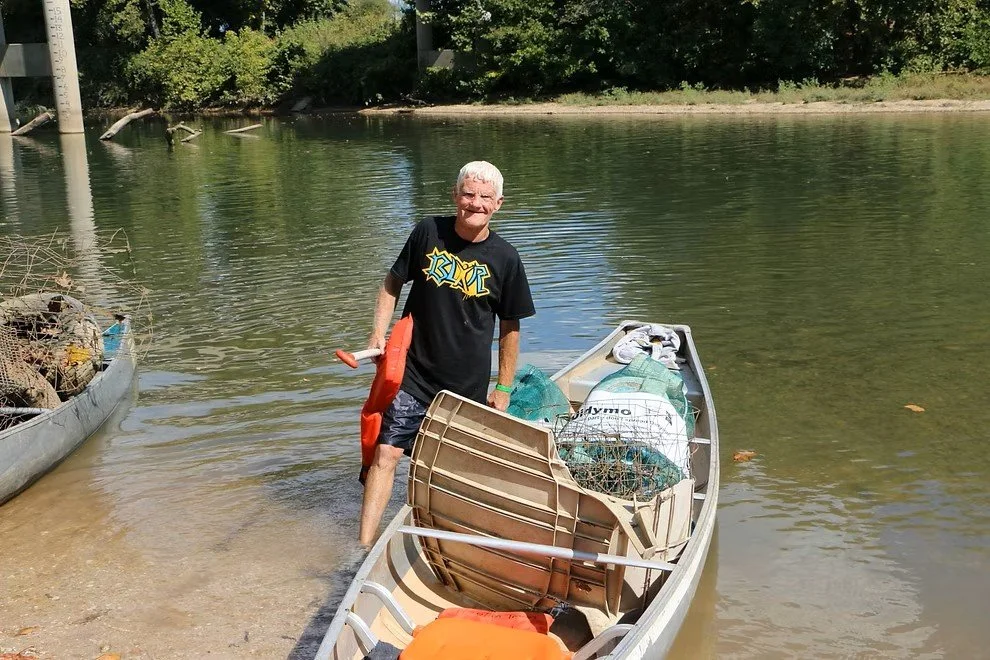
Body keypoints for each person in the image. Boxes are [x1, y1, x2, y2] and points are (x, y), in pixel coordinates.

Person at [358, 161, 535, 546]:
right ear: (455, 195)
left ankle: (440, 545)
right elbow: (392, 282)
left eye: (485, 197)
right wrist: (377, 334)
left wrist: (503, 387)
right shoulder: (428, 232)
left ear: (499, 204)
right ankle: (363, 548)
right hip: (414, 375)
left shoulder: (506, 258)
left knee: (445, 473)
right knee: (386, 453)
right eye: (468, 194)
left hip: (465, 388)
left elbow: (510, 327)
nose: (475, 203)